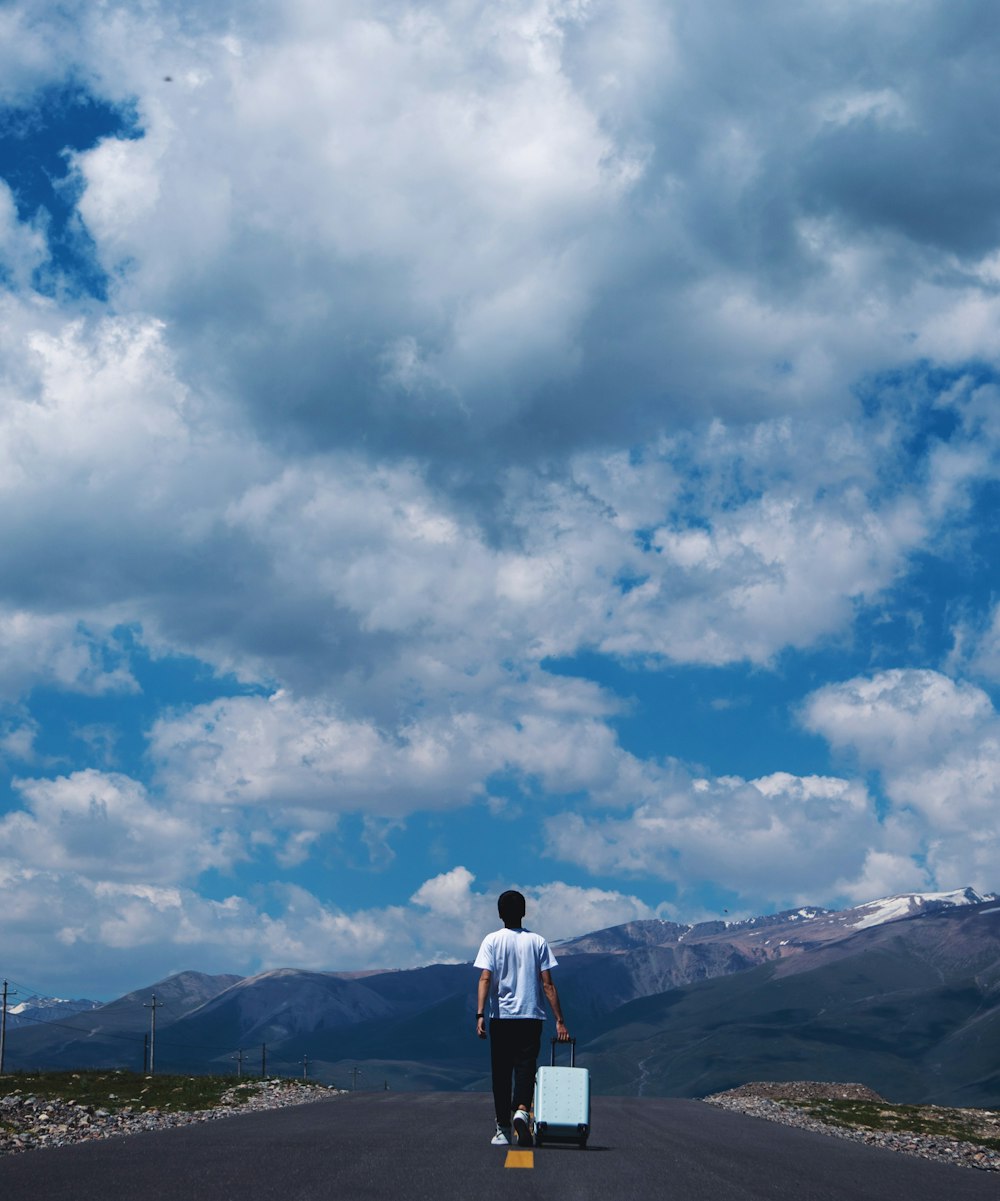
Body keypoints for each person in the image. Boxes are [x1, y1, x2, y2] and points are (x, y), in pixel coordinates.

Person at [474, 889, 570, 1147]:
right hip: (531, 1015)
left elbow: (485, 978)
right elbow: (548, 985)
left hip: (502, 1016)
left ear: (499, 913)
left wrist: (480, 1013)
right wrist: (559, 1019)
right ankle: (521, 1110)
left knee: (501, 1072)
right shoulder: (538, 941)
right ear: (524, 912)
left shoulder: (492, 941)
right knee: (526, 1066)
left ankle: (503, 1129)